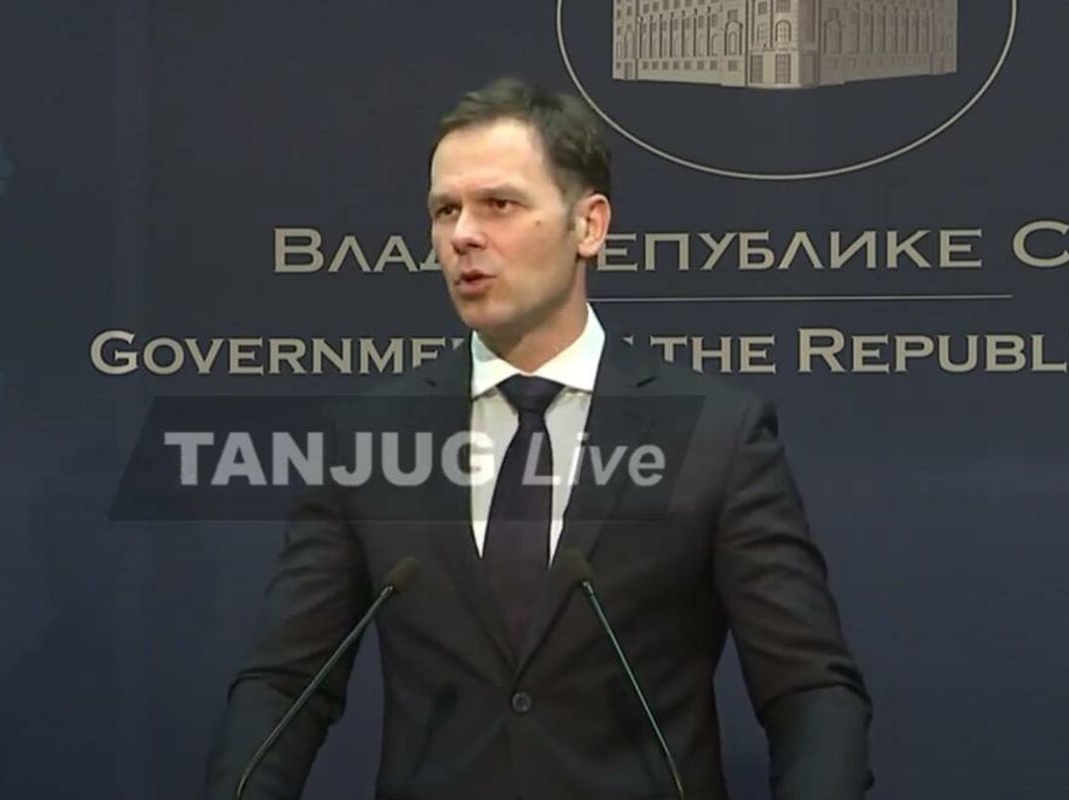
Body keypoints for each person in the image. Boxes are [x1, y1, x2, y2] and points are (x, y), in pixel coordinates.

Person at [206, 77, 872, 800]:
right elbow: (285, 683)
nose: (463, 235)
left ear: (589, 226)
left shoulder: (715, 435)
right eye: (445, 210)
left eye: (498, 204)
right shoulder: (370, 437)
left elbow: (810, 692)